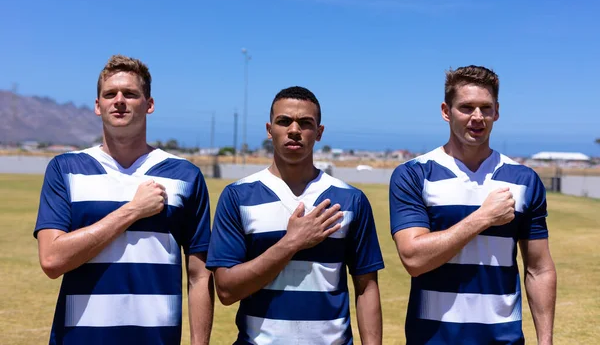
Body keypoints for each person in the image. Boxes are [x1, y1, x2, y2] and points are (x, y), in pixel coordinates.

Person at [34, 55, 214, 345]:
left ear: (149, 104)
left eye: (130, 94)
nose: (119, 100)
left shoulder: (185, 176)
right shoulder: (65, 169)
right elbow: (52, 260)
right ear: (97, 105)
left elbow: (200, 276)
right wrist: (132, 211)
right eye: (110, 94)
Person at [389, 65, 557, 344]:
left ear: (497, 112)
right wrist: (483, 217)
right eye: (466, 107)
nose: (477, 117)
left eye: (485, 108)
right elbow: (413, 259)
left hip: (503, 338)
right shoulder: (415, 174)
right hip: (432, 338)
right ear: (446, 111)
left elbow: (538, 269)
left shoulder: (524, 179)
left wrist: (546, 340)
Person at [206, 86, 384, 344]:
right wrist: (292, 243)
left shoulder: (350, 200)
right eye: (284, 121)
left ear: (319, 132)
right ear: (269, 130)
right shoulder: (238, 197)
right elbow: (225, 290)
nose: (293, 130)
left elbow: (366, 287)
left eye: (305, 123)